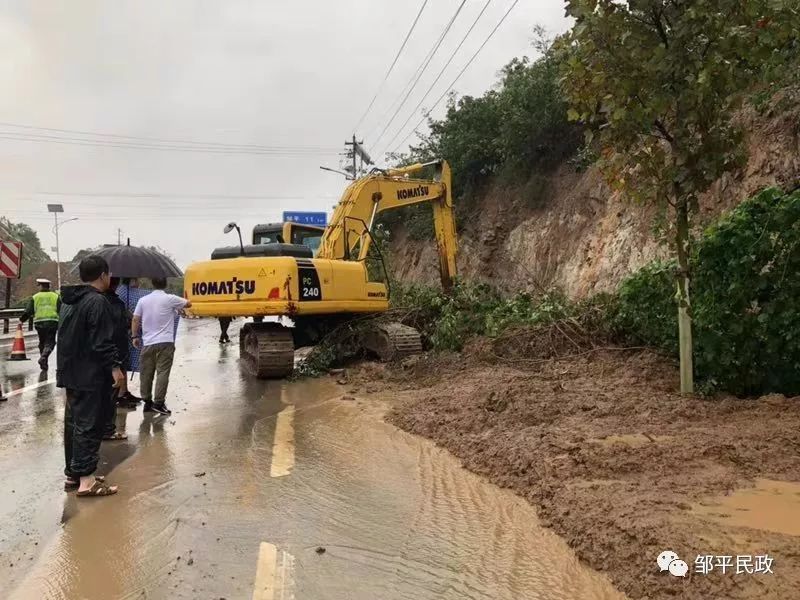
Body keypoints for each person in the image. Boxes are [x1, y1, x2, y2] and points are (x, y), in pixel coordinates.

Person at [57, 255, 124, 497]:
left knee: (73, 424)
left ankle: (74, 474)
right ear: (103, 275)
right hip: (90, 374)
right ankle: (87, 481)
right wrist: (115, 368)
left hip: (71, 372)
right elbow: (101, 341)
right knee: (88, 425)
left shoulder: (68, 300)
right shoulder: (97, 302)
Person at [131, 277, 191, 415]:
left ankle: (147, 402)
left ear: (152, 284)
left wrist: (134, 336)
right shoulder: (170, 299)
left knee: (146, 373)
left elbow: (135, 319)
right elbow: (188, 304)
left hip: (148, 343)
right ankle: (158, 403)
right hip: (166, 343)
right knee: (162, 373)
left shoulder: (143, 300)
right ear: (166, 284)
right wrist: (180, 304)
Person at [101, 277, 131, 441]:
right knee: (111, 393)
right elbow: (122, 328)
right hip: (114, 353)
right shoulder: (117, 304)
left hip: (95, 355)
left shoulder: (92, 300)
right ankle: (107, 429)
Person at [20, 278, 61, 371]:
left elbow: (29, 311)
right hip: (52, 322)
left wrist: (22, 320)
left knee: (42, 342)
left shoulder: (35, 297)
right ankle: (43, 358)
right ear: (48, 286)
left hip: (39, 323)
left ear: (41, 286)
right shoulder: (55, 296)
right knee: (50, 342)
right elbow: (61, 310)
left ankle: (44, 364)